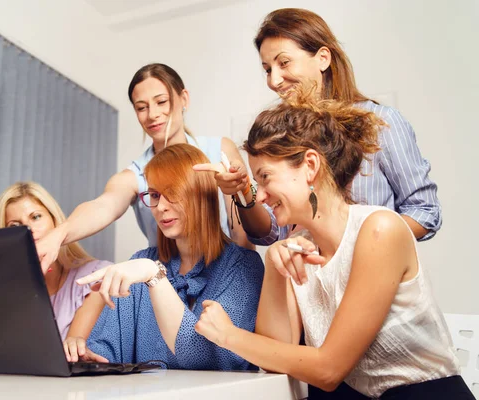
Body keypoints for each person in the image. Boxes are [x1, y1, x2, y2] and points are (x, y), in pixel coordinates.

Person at [194, 90, 472, 399]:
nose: (259, 196)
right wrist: (274, 263)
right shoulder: (295, 247)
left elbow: (328, 370)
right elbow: (276, 360)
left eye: (266, 177)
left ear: (310, 165)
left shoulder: (380, 229)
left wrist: (229, 336)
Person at [195, 8, 442, 284]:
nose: (274, 81)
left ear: (323, 58)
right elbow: (270, 232)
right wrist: (244, 192)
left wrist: (351, 247)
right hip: (307, 292)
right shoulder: (282, 134)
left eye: (284, 63)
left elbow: (426, 213)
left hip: (372, 285)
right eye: (267, 69)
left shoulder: (381, 123)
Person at [36, 63, 253, 274]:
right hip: (166, 283)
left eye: (161, 101)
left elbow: (242, 230)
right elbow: (102, 206)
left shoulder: (219, 151)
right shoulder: (134, 175)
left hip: (225, 273)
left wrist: (239, 282)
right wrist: (59, 234)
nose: (152, 114)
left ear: (183, 98)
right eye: (141, 107)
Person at [72, 144, 264, 370]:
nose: (160, 207)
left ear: (200, 194)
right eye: (154, 195)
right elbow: (107, 351)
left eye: (172, 193)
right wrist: (85, 355)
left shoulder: (243, 267)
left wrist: (155, 277)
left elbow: (207, 361)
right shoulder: (140, 262)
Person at [0, 181, 110, 362]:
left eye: (36, 217)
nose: (28, 229)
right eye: (14, 226)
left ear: (55, 221)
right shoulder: (5, 293)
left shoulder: (94, 277)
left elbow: (70, 354)